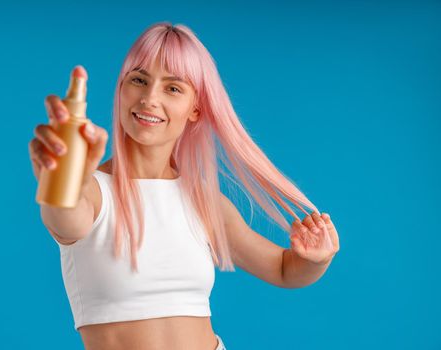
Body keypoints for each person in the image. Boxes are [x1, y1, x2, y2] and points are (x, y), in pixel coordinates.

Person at [28, 22, 340, 350]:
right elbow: (63, 212)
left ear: (195, 109)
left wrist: (315, 260)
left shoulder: (203, 201)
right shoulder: (91, 193)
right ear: (121, 89)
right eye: (138, 80)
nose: (150, 98)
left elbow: (283, 269)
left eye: (173, 88)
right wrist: (61, 177)